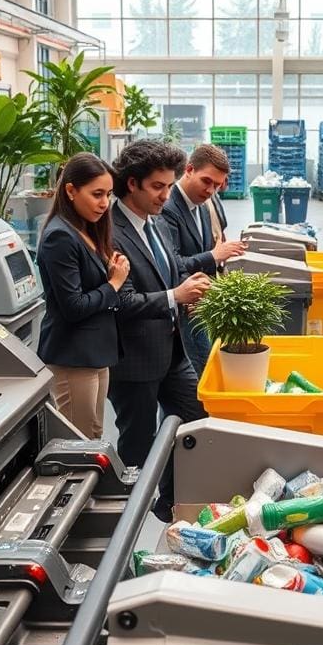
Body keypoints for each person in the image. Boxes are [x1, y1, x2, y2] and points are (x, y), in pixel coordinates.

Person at [108, 138, 212, 522]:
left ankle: (167, 503)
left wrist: (193, 284)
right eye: (157, 187)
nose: (166, 195)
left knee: (196, 420)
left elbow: (173, 269)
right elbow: (121, 301)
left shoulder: (158, 224)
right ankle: (125, 522)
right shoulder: (110, 232)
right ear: (131, 183)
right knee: (136, 445)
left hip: (172, 350)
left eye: (169, 186)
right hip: (133, 359)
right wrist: (174, 295)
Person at [35, 153, 130, 439]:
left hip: (94, 354)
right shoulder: (60, 237)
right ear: (71, 191)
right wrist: (113, 283)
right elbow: (73, 306)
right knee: (79, 441)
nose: (104, 203)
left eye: (108, 195)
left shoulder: (85, 230)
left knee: (94, 435)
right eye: (97, 194)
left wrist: (110, 271)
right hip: (73, 357)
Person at [161, 144, 246, 379]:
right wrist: (214, 255)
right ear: (189, 170)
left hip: (201, 304)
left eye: (217, 185)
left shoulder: (201, 205)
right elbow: (171, 263)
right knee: (195, 375)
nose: (211, 190)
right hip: (185, 307)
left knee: (202, 370)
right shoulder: (169, 208)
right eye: (206, 181)